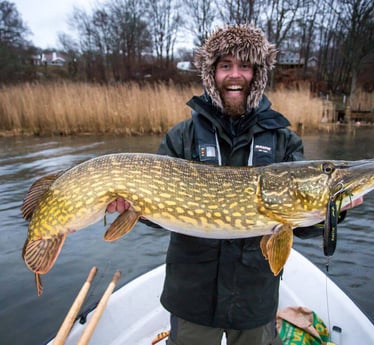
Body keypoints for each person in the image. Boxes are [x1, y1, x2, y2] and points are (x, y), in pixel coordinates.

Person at [108, 24, 360, 345]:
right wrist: (136, 210)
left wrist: (332, 210)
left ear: (258, 74)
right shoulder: (182, 136)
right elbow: (162, 217)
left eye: (244, 66)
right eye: (225, 66)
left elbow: (302, 226)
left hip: (254, 299)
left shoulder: (283, 140)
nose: (235, 75)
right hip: (191, 298)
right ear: (212, 73)